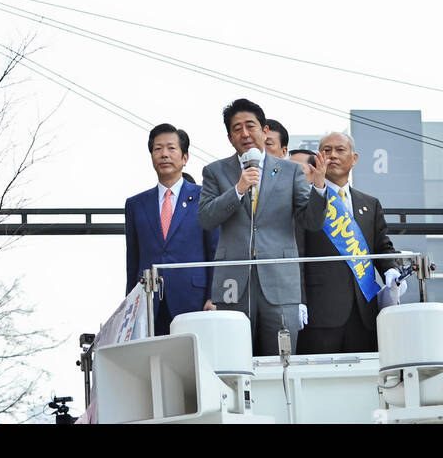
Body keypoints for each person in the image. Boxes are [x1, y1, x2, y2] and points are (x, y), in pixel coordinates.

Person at [198, 97, 328, 355]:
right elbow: (206, 218)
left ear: (264, 130)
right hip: (233, 282)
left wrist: (320, 187)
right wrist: (238, 189)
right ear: (230, 137)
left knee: (281, 362)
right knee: (234, 359)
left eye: (251, 126)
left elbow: (311, 221)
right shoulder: (215, 171)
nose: (244, 133)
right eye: (237, 129)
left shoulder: (290, 171)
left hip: (280, 282)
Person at [298, 129, 399, 355]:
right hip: (320, 313)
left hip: (364, 312)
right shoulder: (304, 200)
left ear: (354, 159)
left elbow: (382, 246)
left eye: (340, 150)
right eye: (327, 150)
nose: (333, 155)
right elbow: (298, 254)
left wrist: (391, 269)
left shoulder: (370, 204)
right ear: (318, 158)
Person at [125, 123, 218, 334]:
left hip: (193, 300)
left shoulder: (205, 197)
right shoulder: (136, 204)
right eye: (158, 149)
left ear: (185, 158)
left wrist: (213, 296)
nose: (164, 154)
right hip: (149, 302)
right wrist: (130, 306)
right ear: (151, 157)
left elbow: (214, 251)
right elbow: (133, 260)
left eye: (171, 148)